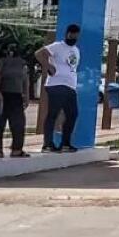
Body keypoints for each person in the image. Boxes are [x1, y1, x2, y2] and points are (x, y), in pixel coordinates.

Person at [36, 23, 82, 153]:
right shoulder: (57, 46)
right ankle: (47, 144)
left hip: (70, 86)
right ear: (67, 34)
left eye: (75, 35)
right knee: (53, 113)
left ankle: (65, 143)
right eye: (71, 35)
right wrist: (48, 66)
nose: (73, 37)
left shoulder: (76, 50)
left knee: (72, 114)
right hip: (56, 84)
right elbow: (39, 53)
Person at [0, 45, 30, 158]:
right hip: (2, 95)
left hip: (16, 96)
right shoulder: (1, 62)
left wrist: (26, 96)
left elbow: (25, 81)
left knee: (18, 123)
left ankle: (16, 150)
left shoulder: (22, 64)